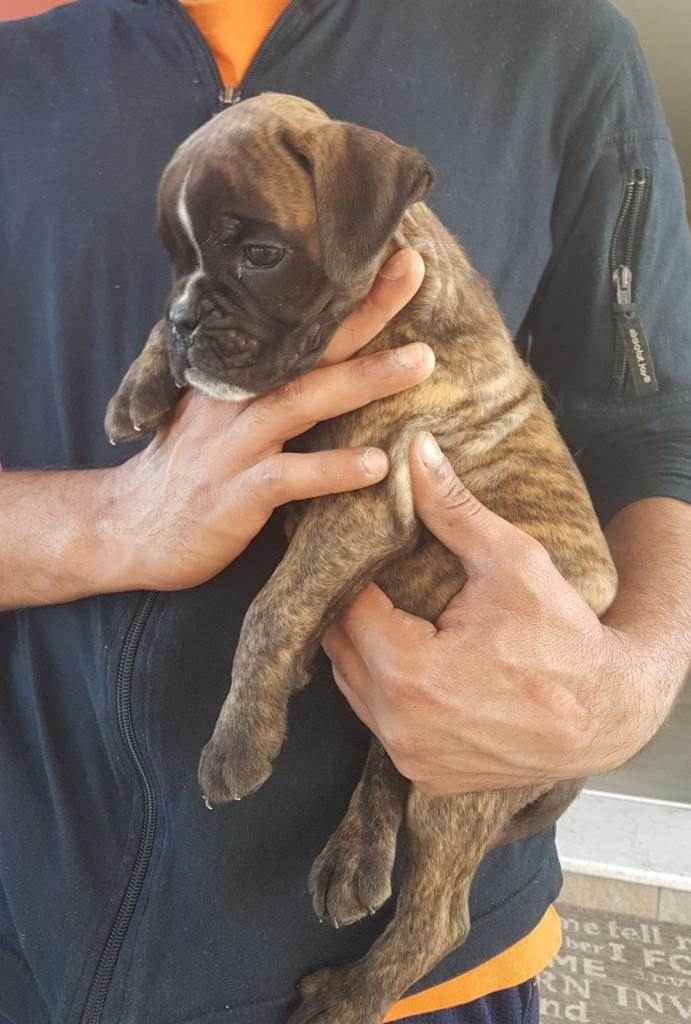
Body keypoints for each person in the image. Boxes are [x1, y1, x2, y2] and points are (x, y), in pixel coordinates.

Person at [0, 1, 689, 1023]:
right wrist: (107, 521)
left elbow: (655, 424)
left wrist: (627, 683)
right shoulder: (22, 56)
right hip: (28, 911)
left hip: (423, 971)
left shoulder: (552, 38)